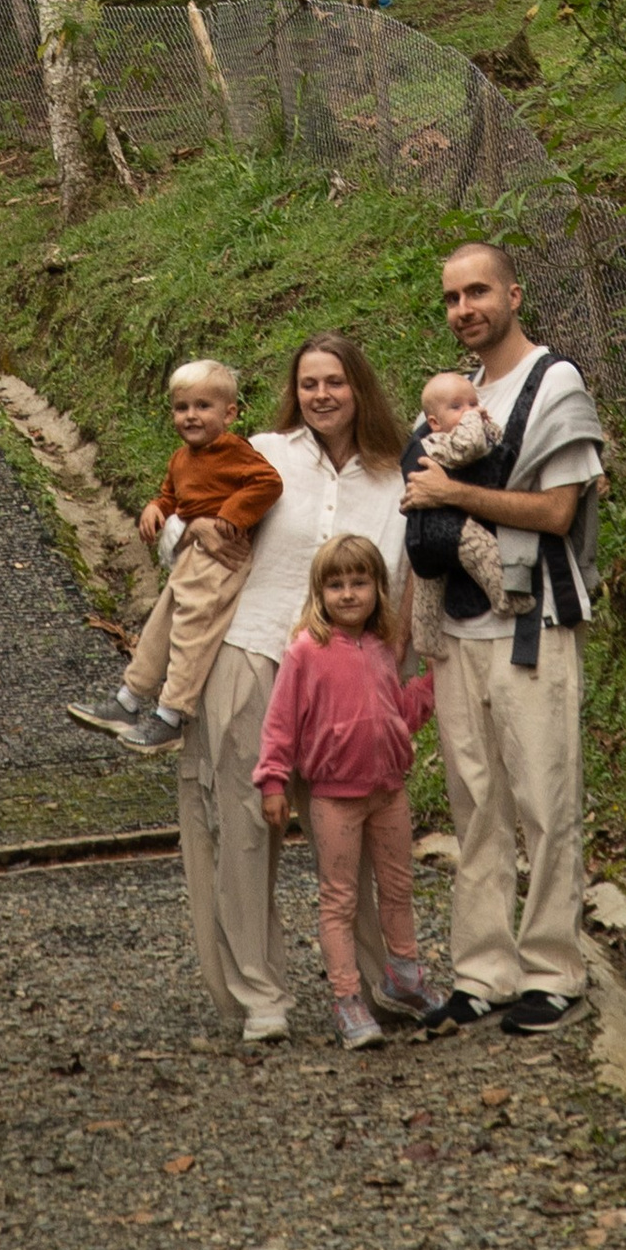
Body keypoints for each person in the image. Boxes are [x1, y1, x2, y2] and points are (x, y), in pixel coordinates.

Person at [175, 331, 410, 1046]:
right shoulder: (263, 454)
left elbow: (403, 586)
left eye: (335, 381)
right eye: (309, 383)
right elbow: (186, 510)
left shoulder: (397, 477)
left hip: (345, 678)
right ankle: (261, 995)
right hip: (253, 654)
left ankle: (383, 982)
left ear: (359, 387)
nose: (321, 395)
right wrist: (188, 534)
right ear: (294, 391)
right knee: (245, 828)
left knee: (358, 829)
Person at [404, 240, 605, 1037]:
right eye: (453, 298)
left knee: (546, 796)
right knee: (474, 804)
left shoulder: (555, 384)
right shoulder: (458, 397)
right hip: (457, 629)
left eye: (478, 292)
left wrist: (451, 492)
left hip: (534, 622)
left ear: (514, 294)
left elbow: (558, 512)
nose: (465, 310)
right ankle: (483, 970)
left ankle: (554, 969)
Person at [254, 531, 451, 1049]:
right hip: (333, 798)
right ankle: (347, 999)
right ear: (319, 594)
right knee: (339, 899)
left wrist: (431, 684)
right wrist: (272, 780)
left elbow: (400, 716)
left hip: (389, 791)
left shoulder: (384, 647)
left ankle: (404, 974)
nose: (348, 594)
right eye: (335, 585)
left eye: (359, 582)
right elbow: (280, 724)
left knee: (398, 885)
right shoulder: (305, 652)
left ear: (377, 588)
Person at [65, 360, 281, 752]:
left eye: (203, 407)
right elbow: (171, 496)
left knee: (191, 633)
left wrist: (232, 513)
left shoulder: (234, 451)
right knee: (160, 626)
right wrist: (156, 509)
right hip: (192, 556)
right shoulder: (181, 458)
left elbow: (268, 482)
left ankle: (171, 715)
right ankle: (129, 699)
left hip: (221, 557)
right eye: (182, 408)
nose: (191, 416)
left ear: (229, 413)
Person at [398, 370, 507, 660]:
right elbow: (472, 446)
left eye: (473, 404)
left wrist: (487, 424)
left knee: (429, 585)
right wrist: (477, 421)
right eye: (457, 407)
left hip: (426, 530)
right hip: (448, 526)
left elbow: (495, 440)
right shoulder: (440, 443)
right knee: (482, 550)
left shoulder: (442, 436)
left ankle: (426, 640)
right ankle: (506, 596)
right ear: (434, 423)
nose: (470, 412)